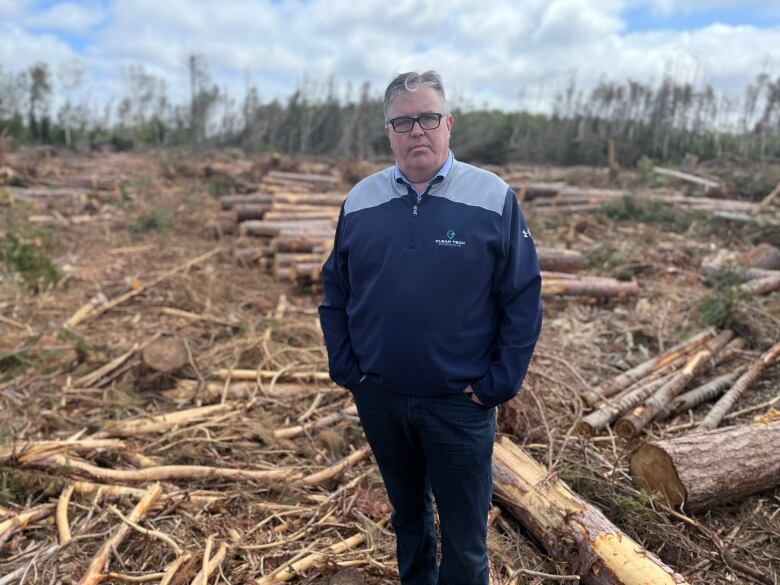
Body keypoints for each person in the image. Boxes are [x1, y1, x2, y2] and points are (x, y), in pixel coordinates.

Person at [319, 71, 542, 585]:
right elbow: (336, 294)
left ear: (448, 124)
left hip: (459, 404)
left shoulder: (492, 198)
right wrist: (348, 369)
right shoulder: (360, 202)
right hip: (381, 397)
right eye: (403, 121)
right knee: (409, 519)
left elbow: (523, 297)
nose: (416, 130)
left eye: (427, 118)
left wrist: (497, 385)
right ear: (389, 130)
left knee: (465, 540)